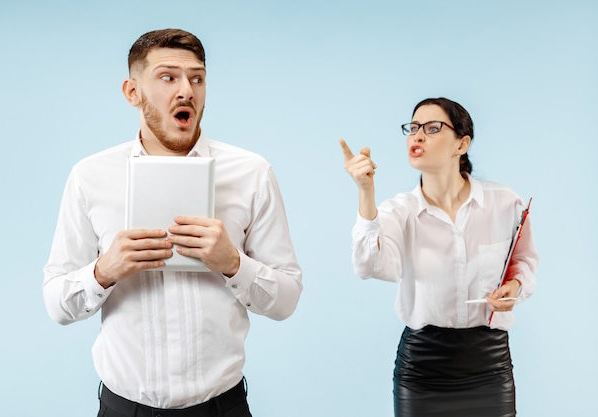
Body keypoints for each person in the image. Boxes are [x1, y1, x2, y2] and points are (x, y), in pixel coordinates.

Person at [43, 28, 302, 417]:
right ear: (133, 92)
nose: (187, 91)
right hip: (122, 409)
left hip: (222, 408)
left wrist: (234, 263)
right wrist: (104, 271)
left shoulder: (252, 173)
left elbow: (286, 300)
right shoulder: (90, 176)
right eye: (168, 77)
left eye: (197, 78)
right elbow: (57, 305)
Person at [340, 97, 538, 417]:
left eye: (432, 128)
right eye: (413, 128)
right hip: (422, 367)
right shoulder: (398, 210)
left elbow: (524, 261)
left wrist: (514, 288)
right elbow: (370, 266)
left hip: (489, 363)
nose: (417, 136)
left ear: (462, 144)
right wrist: (366, 192)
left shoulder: (505, 203)